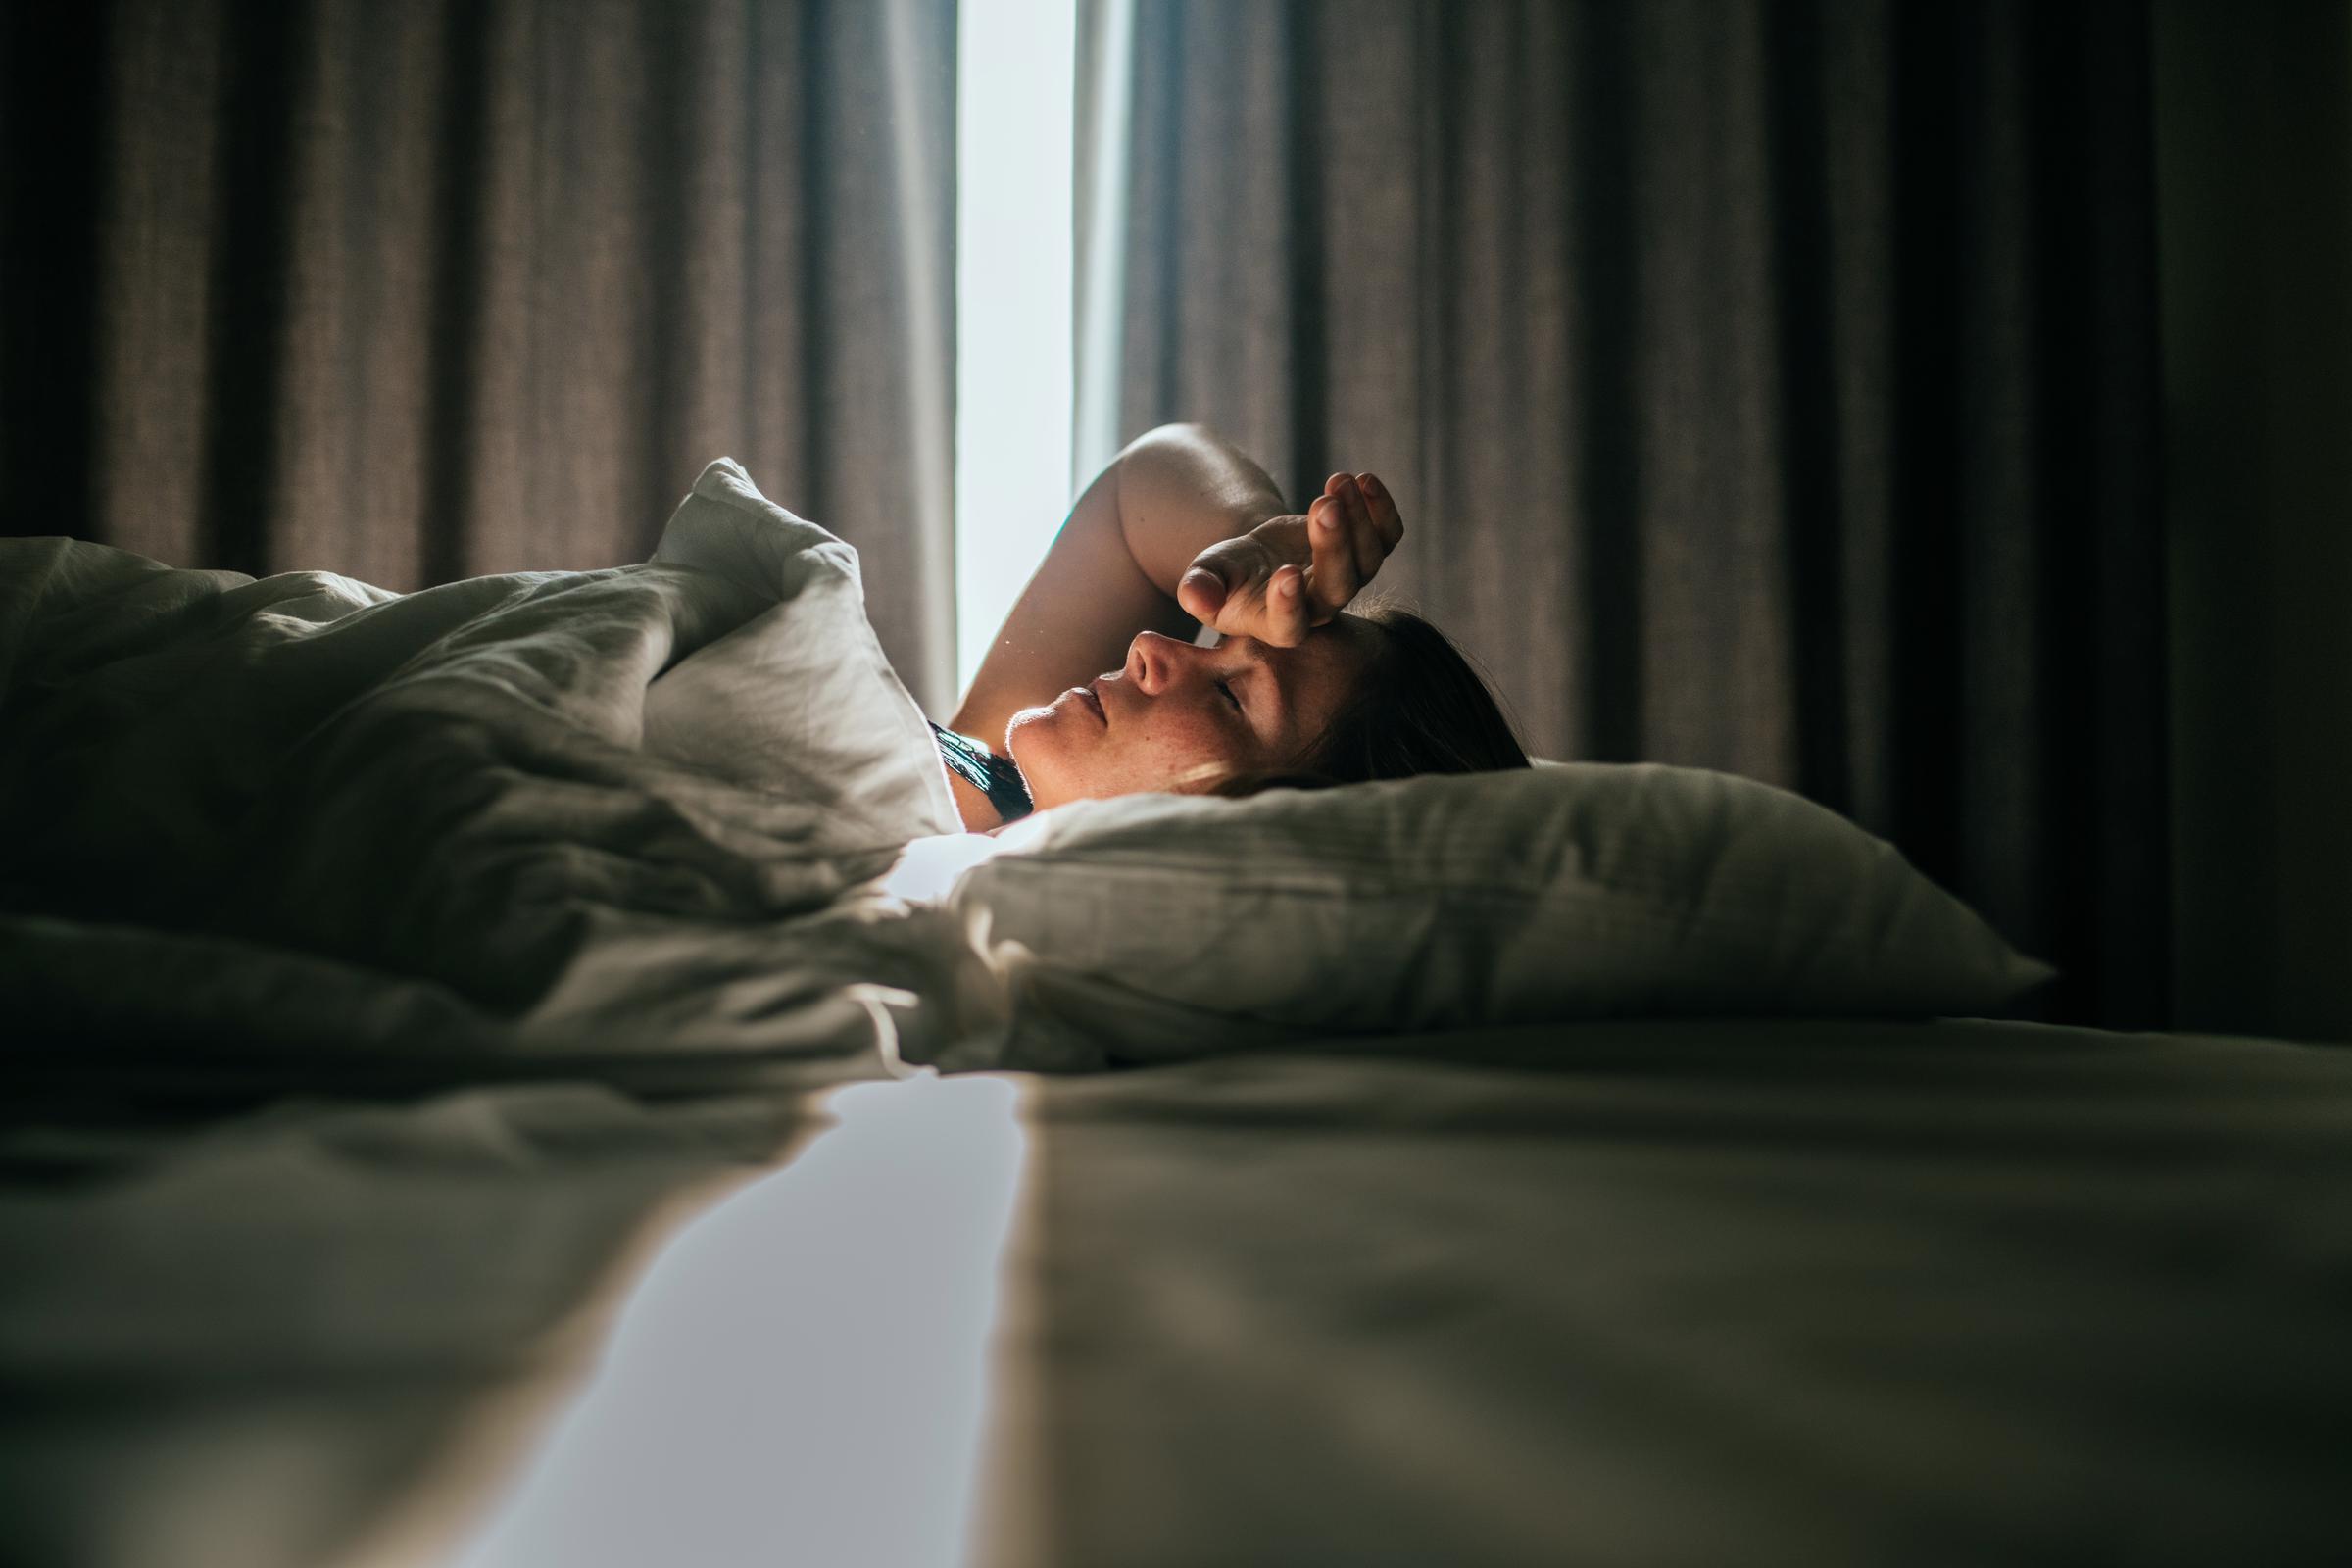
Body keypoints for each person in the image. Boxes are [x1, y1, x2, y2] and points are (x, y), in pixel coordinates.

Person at [935, 423, 1531, 833]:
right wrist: (1249, 549)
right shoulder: (991, 783)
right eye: (1215, 642)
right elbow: (1144, 476)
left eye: (1229, 696)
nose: (1147, 646)